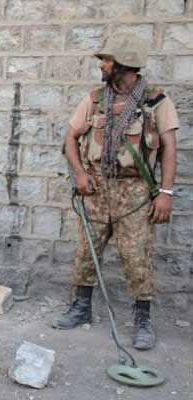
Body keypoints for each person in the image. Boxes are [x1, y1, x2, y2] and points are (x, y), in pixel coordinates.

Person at [54, 34, 179, 351]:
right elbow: (70, 139)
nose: (102, 64)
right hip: (96, 189)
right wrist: (80, 175)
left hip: (135, 193)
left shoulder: (155, 102)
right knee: (86, 253)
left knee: (137, 258)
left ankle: (142, 321)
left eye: (107, 60)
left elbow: (170, 149)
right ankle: (81, 308)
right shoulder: (95, 99)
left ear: (124, 66)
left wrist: (165, 192)